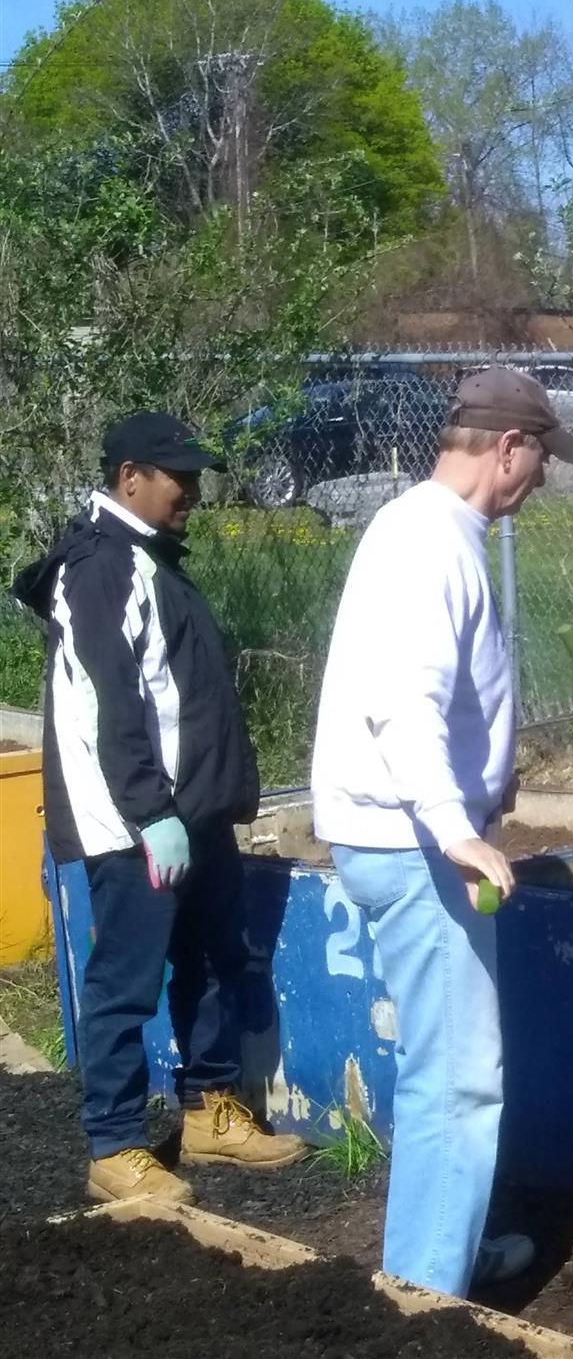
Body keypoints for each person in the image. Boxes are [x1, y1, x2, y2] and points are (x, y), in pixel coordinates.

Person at [311, 367, 573, 1296]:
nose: (543, 478)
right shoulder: (432, 541)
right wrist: (451, 825)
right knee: (458, 1082)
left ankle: (443, 1251)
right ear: (507, 446)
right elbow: (404, 702)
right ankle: (425, 1295)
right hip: (415, 844)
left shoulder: (427, 530)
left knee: (444, 1067)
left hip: (406, 834)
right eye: (542, 456)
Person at [11, 412, 306, 1204]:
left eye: (197, 478)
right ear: (130, 476)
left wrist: (196, 807)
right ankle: (113, 1146)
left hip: (192, 813)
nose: (195, 493)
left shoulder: (149, 559)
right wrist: (150, 812)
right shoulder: (100, 567)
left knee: (214, 959)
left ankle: (211, 1108)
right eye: (181, 477)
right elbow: (112, 704)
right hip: (135, 825)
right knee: (126, 980)